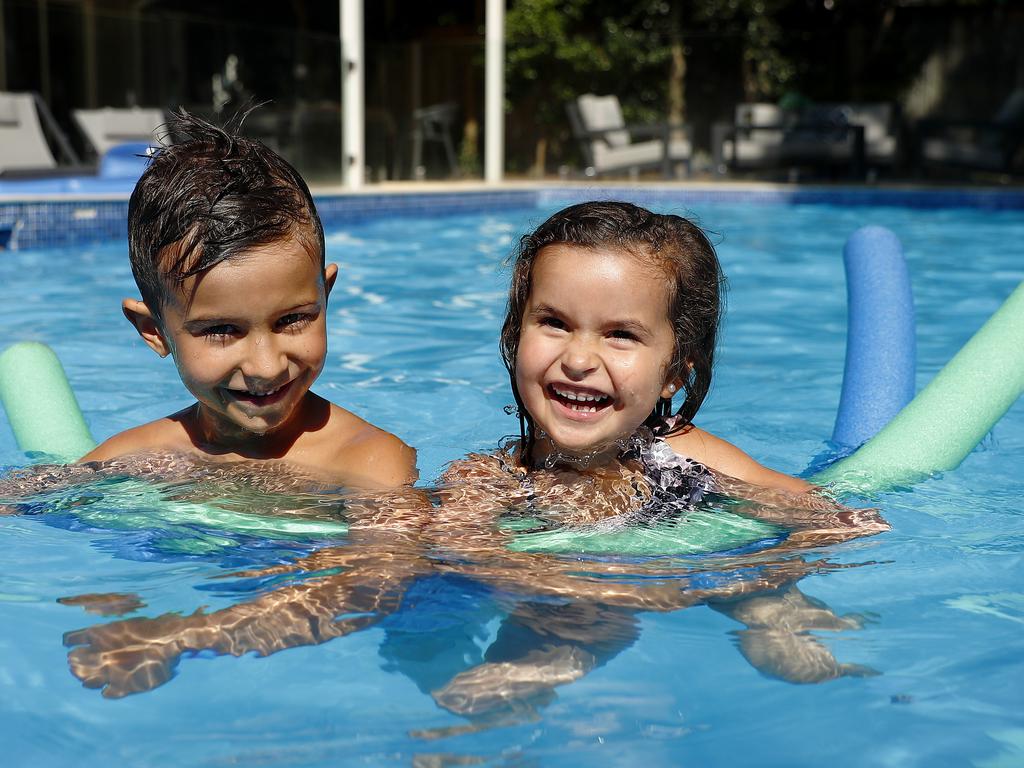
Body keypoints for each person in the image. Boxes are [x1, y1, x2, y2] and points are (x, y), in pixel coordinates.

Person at [75, 110, 416, 489]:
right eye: (222, 329)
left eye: (292, 320)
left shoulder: (367, 463)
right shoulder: (133, 458)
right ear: (154, 331)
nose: (266, 368)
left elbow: (387, 548)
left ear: (325, 295)